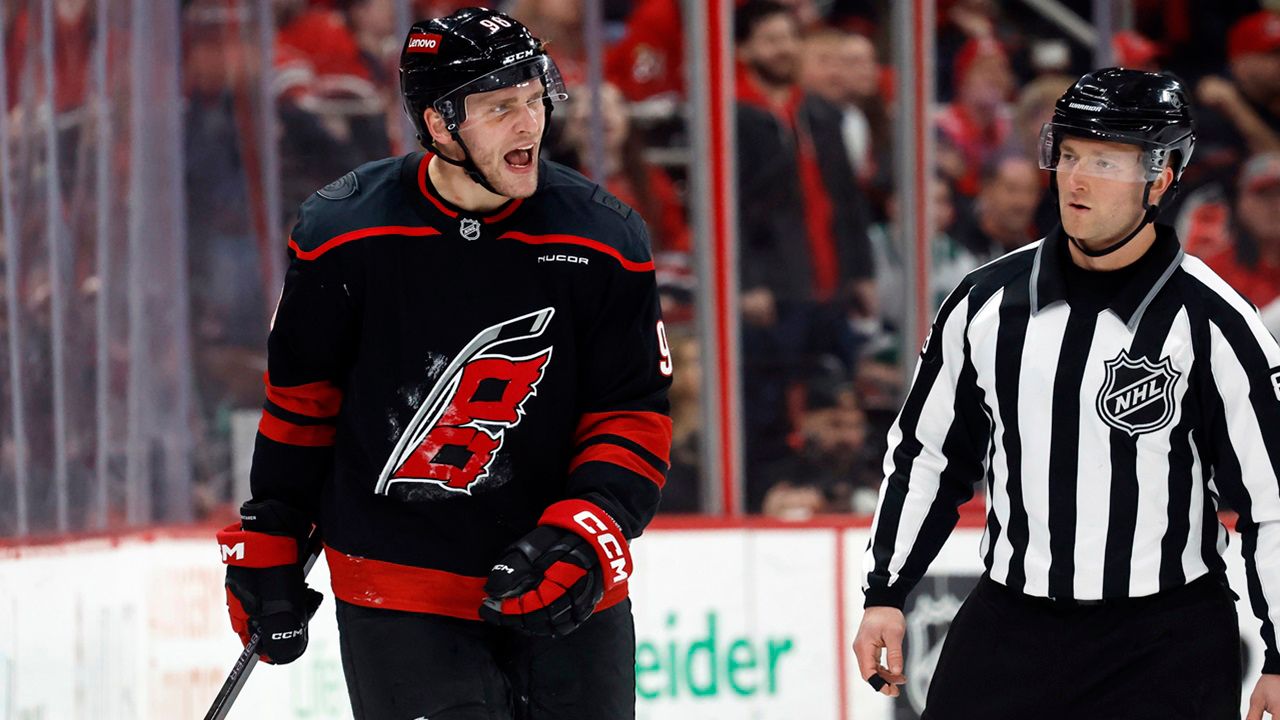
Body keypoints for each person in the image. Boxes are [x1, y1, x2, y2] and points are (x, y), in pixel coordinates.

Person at [214, 8, 673, 719]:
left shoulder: (603, 238)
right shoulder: (343, 235)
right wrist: (274, 531)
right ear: (438, 124)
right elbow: (304, 406)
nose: (530, 125)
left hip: (561, 579)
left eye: (533, 99)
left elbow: (631, 413)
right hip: (400, 589)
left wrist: (588, 528)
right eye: (500, 109)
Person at [853, 68, 1280, 720]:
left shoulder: (1215, 321)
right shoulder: (982, 303)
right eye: (1070, 153)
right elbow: (927, 458)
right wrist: (885, 590)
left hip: (1166, 647)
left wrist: (1279, 654)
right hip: (1010, 630)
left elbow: (1271, 503)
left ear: (1160, 179)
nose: (1076, 179)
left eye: (1106, 161)